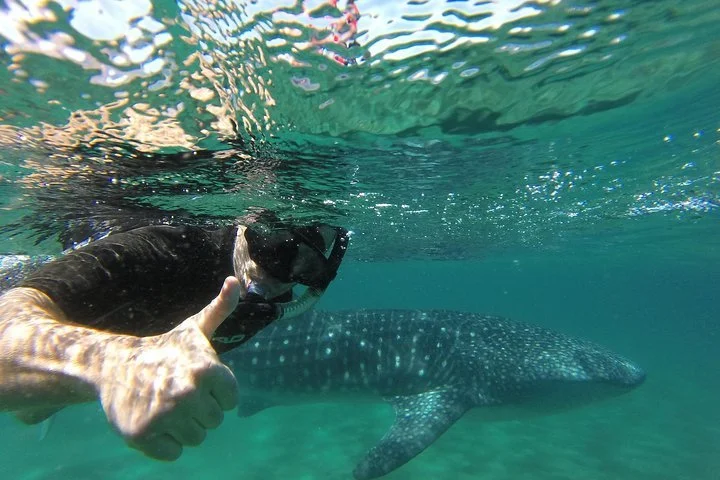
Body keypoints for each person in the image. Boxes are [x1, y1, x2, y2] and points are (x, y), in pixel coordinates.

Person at [0, 221, 349, 462]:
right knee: (30, 410)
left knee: (33, 411)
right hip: (59, 335)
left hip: (56, 383)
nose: (281, 277)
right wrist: (115, 364)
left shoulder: (268, 303)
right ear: (249, 227)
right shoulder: (166, 249)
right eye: (277, 249)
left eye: (307, 266)